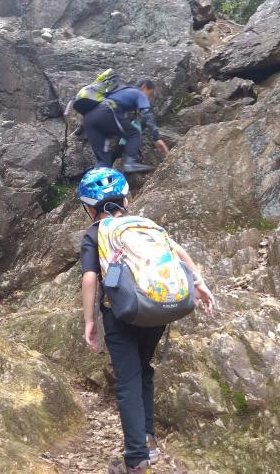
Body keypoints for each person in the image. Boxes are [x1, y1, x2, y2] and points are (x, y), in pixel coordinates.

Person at [77, 167, 216, 474]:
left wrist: (89, 320)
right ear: (126, 200)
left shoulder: (95, 233)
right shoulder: (145, 225)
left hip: (122, 314)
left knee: (128, 379)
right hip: (156, 309)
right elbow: (179, 253)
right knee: (143, 369)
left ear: (89, 208)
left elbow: (90, 278)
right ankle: (148, 442)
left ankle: (137, 460)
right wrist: (199, 283)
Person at [81, 79, 169, 173]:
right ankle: (130, 163)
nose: (148, 98)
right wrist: (156, 138)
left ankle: (97, 179)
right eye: (150, 94)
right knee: (134, 133)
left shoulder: (119, 92)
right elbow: (147, 114)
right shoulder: (139, 93)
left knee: (104, 160)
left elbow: (121, 123)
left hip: (88, 118)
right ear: (144, 87)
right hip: (105, 112)